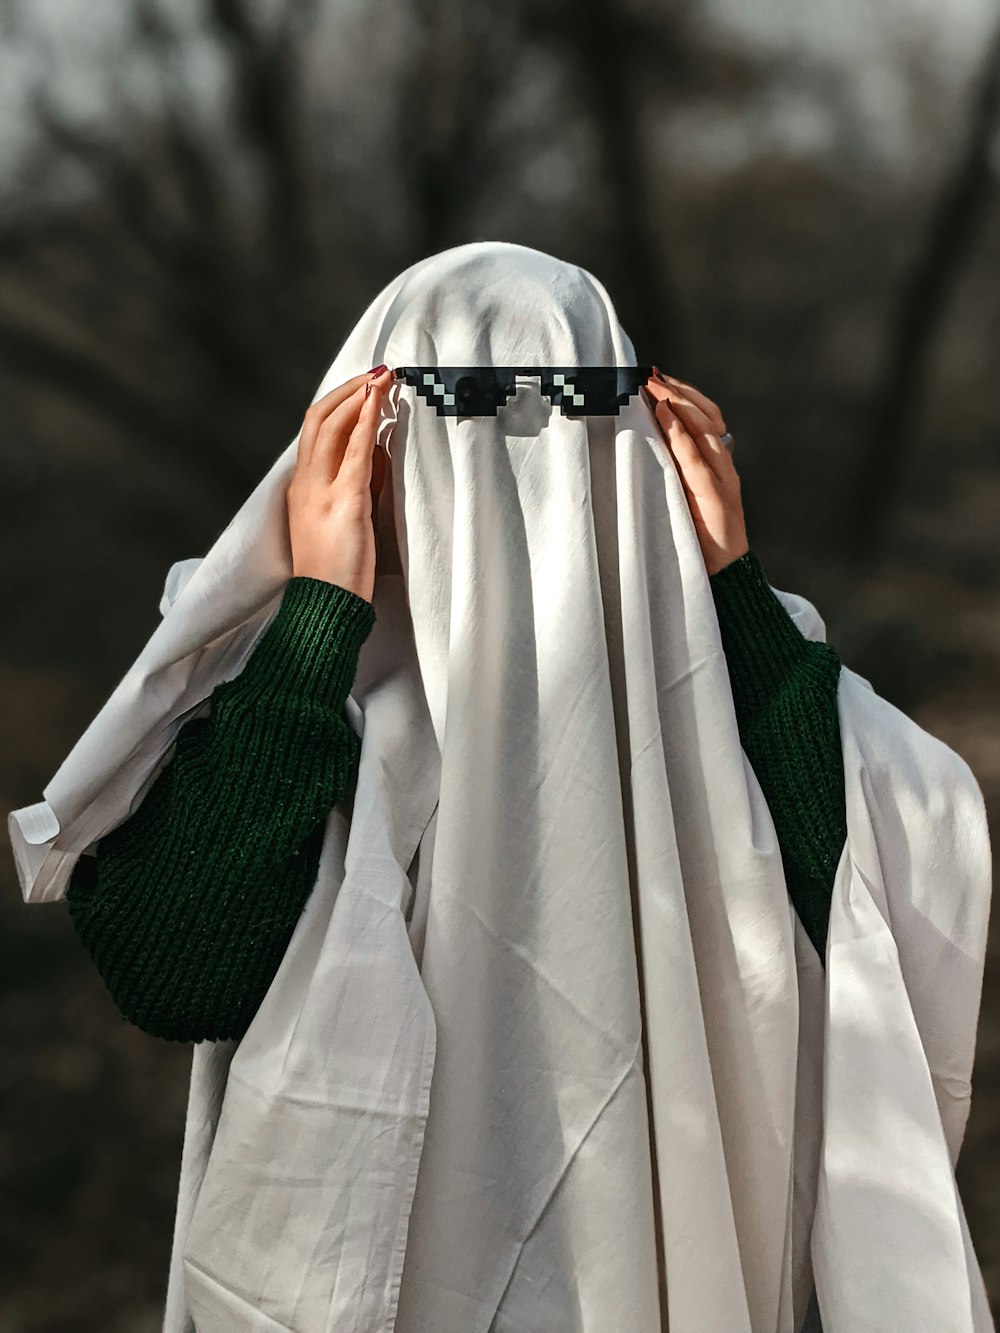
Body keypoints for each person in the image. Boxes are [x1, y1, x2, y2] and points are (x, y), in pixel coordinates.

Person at [9, 241, 992, 1332]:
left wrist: (732, 603)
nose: (509, 465)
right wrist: (316, 625)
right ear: (362, 441)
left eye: (576, 412)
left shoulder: (726, 686)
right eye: (456, 414)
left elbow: (871, 898)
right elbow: (173, 970)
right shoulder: (289, 695)